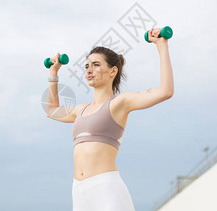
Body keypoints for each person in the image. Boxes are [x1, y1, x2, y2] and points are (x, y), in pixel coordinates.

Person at [45, 27, 174, 211]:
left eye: (96, 65)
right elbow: (51, 110)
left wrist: (162, 46)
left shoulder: (119, 103)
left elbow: (165, 92)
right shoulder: (80, 110)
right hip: (79, 190)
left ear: (113, 71)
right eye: (87, 66)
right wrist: (53, 73)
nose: (89, 70)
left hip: (105, 188)